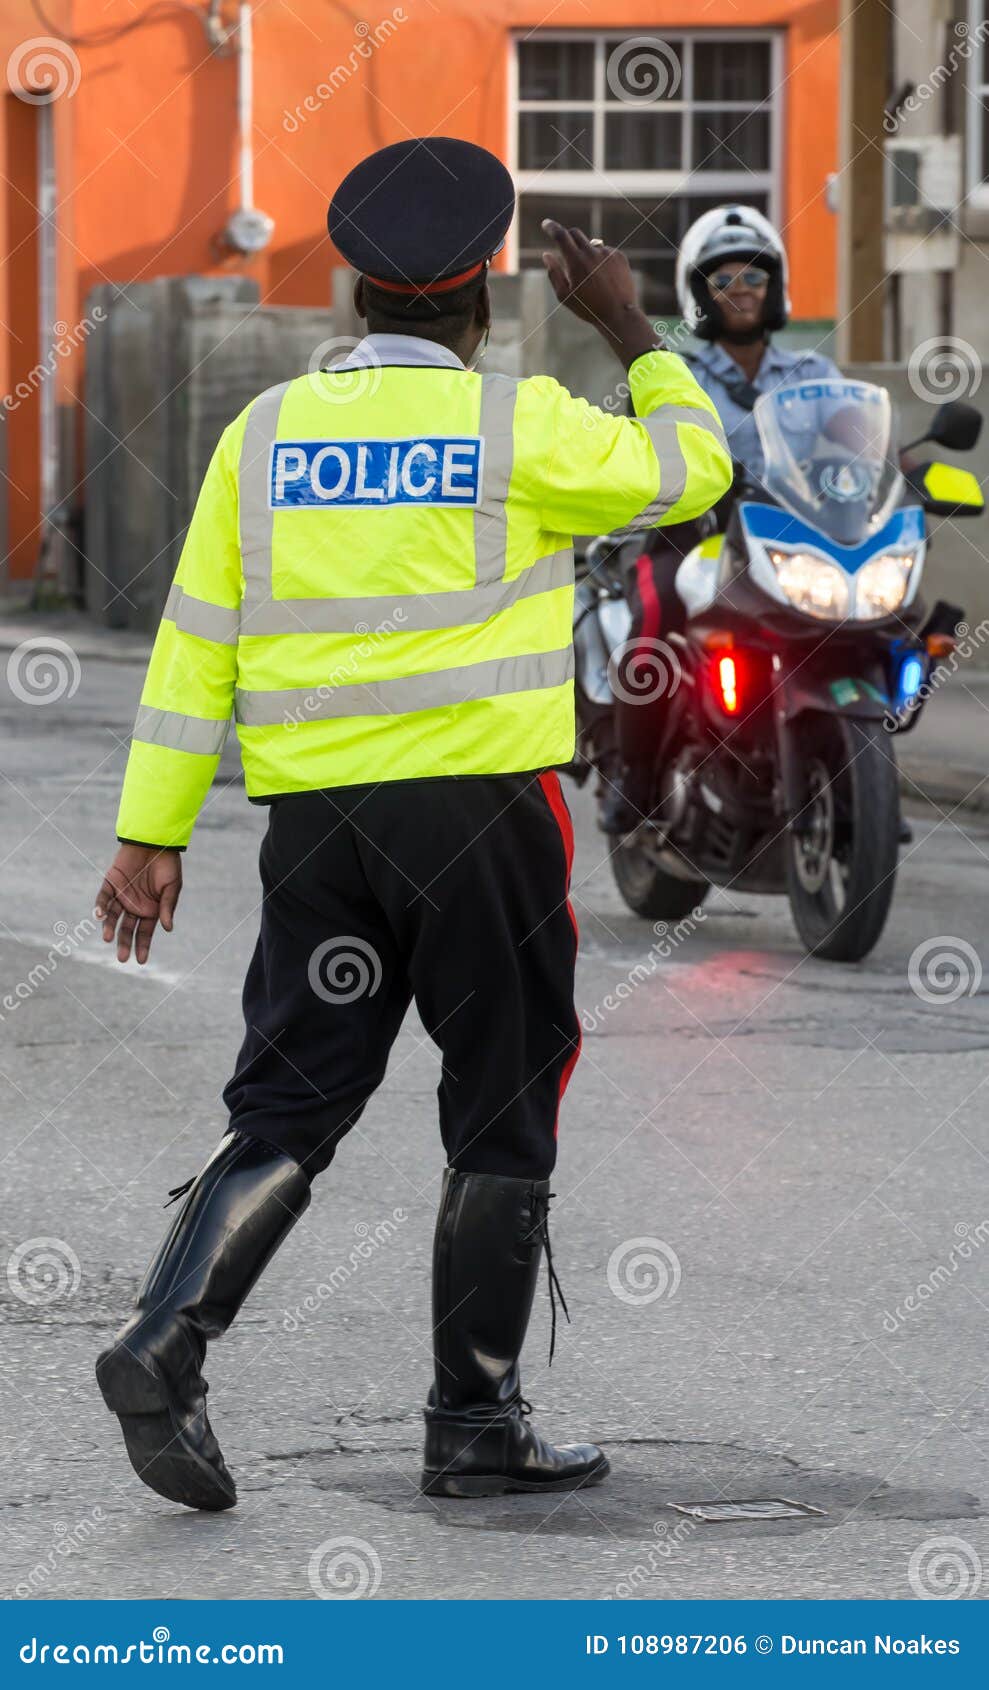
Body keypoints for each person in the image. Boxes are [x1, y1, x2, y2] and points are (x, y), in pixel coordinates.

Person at [93, 137, 731, 1511]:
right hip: (479, 819)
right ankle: (473, 1421)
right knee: (501, 1102)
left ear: (354, 298)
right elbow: (692, 471)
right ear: (481, 301)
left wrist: (149, 835)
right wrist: (629, 325)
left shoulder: (261, 437)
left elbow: (194, 643)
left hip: (316, 827)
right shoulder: (520, 425)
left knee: (291, 1098)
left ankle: (166, 1337)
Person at [600, 205, 842, 834]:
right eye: (725, 280)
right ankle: (638, 776)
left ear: (777, 287)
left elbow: (856, 452)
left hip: (797, 549)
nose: (741, 291)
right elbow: (642, 449)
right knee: (653, 614)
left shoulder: (816, 373)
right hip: (693, 539)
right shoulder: (673, 372)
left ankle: (858, 768)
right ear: (699, 292)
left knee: (886, 615)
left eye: (755, 278)